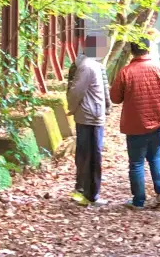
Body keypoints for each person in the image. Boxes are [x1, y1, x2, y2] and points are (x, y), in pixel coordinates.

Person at [110, 39, 160, 209]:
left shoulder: (126, 72)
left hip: (135, 124)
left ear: (132, 52)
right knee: (156, 156)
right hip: (158, 122)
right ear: (149, 49)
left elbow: (115, 98)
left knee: (137, 163)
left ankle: (139, 201)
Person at [66, 34, 112, 206]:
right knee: (89, 156)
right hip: (89, 116)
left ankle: (89, 192)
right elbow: (75, 91)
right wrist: (72, 107)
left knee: (91, 155)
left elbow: (103, 88)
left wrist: (107, 106)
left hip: (92, 115)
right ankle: (87, 193)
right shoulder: (87, 66)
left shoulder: (90, 65)